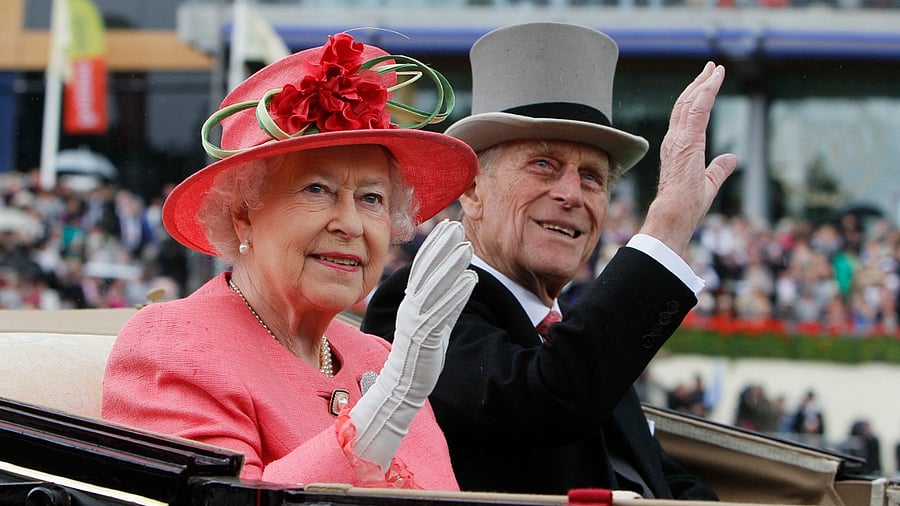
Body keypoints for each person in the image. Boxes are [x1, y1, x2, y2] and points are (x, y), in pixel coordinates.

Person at [362, 22, 737, 499]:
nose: (570, 194)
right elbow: (547, 401)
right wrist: (665, 231)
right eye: (543, 164)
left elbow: (653, 478)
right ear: (473, 190)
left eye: (591, 177)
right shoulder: (419, 303)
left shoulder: (574, 335)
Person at [101, 33, 479, 490]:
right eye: (316, 190)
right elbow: (222, 502)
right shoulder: (173, 342)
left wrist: (394, 390)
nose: (351, 224)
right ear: (243, 214)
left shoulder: (376, 357)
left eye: (372, 198)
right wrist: (386, 406)